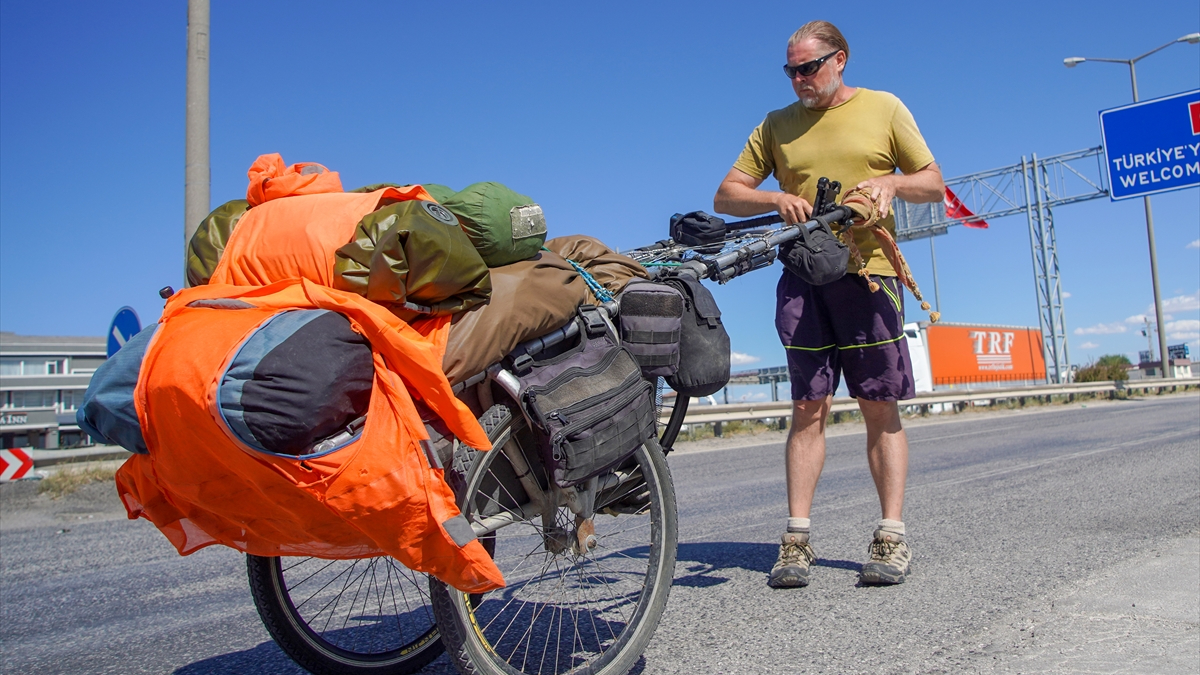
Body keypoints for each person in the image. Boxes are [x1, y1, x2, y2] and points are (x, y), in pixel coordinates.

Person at [713, 20, 944, 587]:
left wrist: (891, 185)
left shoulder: (884, 108)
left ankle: (890, 537)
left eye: (808, 68)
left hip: (871, 277)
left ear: (839, 60)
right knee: (807, 408)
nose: (798, 80)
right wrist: (775, 196)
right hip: (804, 277)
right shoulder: (776, 125)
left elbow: (934, 181)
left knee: (877, 405)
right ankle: (795, 541)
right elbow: (726, 194)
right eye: (790, 70)